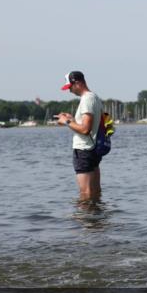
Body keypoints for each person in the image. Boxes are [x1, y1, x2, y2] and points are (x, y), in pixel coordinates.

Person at [57, 71, 103, 200]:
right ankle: (97, 212)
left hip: (84, 151)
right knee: (95, 191)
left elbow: (85, 129)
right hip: (93, 149)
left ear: (77, 83)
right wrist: (72, 119)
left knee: (85, 193)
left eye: (70, 87)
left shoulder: (86, 99)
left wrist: (66, 122)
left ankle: (85, 213)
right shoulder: (94, 97)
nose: (69, 91)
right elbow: (89, 126)